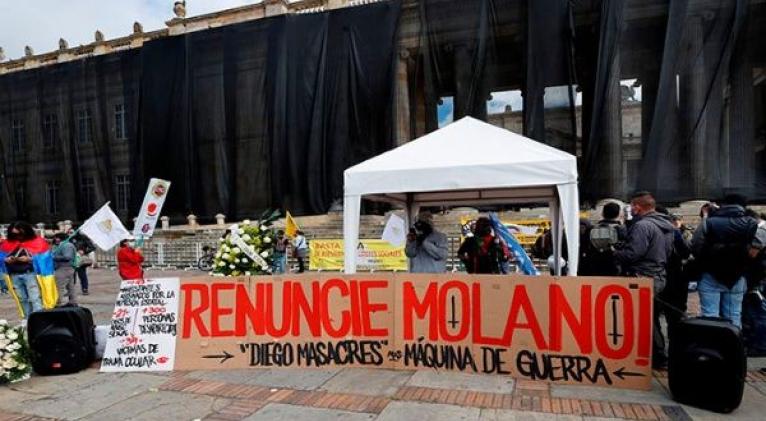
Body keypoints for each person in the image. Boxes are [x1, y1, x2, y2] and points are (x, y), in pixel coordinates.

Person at [614, 191, 675, 369]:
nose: (631, 209)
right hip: (659, 274)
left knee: (644, 319)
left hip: (642, 276)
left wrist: (615, 253)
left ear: (638, 207)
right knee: (652, 316)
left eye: (632, 206)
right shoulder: (666, 225)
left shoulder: (643, 226)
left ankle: (657, 356)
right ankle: (658, 354)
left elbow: (633, 253)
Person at [691, 194, 759, 328]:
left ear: (722, 204)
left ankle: (713, 347)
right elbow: (756, 248)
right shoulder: (751, 222)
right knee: (734, 315)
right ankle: (733, 347)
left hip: (710, 273)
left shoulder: (710, 222)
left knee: (710, 316)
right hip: (738, 275)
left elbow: (696, 245)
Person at [0, 222, 54, 318]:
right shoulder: (7, 243)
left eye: (20, 234)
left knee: (35, 298)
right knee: (22, 298)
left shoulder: (38, 241)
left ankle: (38, 319)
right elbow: (2, 257)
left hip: (30, 274)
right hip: (14, 275)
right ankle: (27, 319)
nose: (18, 237)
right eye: (14, 234)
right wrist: (5, 260)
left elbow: (45, 257)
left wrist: (30, 259)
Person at [580, 202, 627, 276]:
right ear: (618, 214)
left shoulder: (591, 229)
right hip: (613, 266)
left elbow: (584, 246)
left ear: (602, 213)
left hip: (593, 265)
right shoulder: (621, 229)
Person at [52, 233, 78, 306]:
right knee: (70, 287)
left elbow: (67, 257)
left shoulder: (66, 245)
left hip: (64, 268)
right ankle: (73, 302)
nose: (55, 240)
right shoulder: (63, 245)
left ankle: (58, 304)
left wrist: (53, 257)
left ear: (59, 238)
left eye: (56, 238)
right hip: (66, 268)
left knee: (59, 287)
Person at [69, 229, 95, 295]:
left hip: (81, 259)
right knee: (71, 276)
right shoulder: (69, 238)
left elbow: (92, 247)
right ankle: (70, 290)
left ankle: (85, 289)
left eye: (72, 232)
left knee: (82, 275)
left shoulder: (84, 238)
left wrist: (84, 251)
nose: (70, 233)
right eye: (69, 232)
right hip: (71, 259)